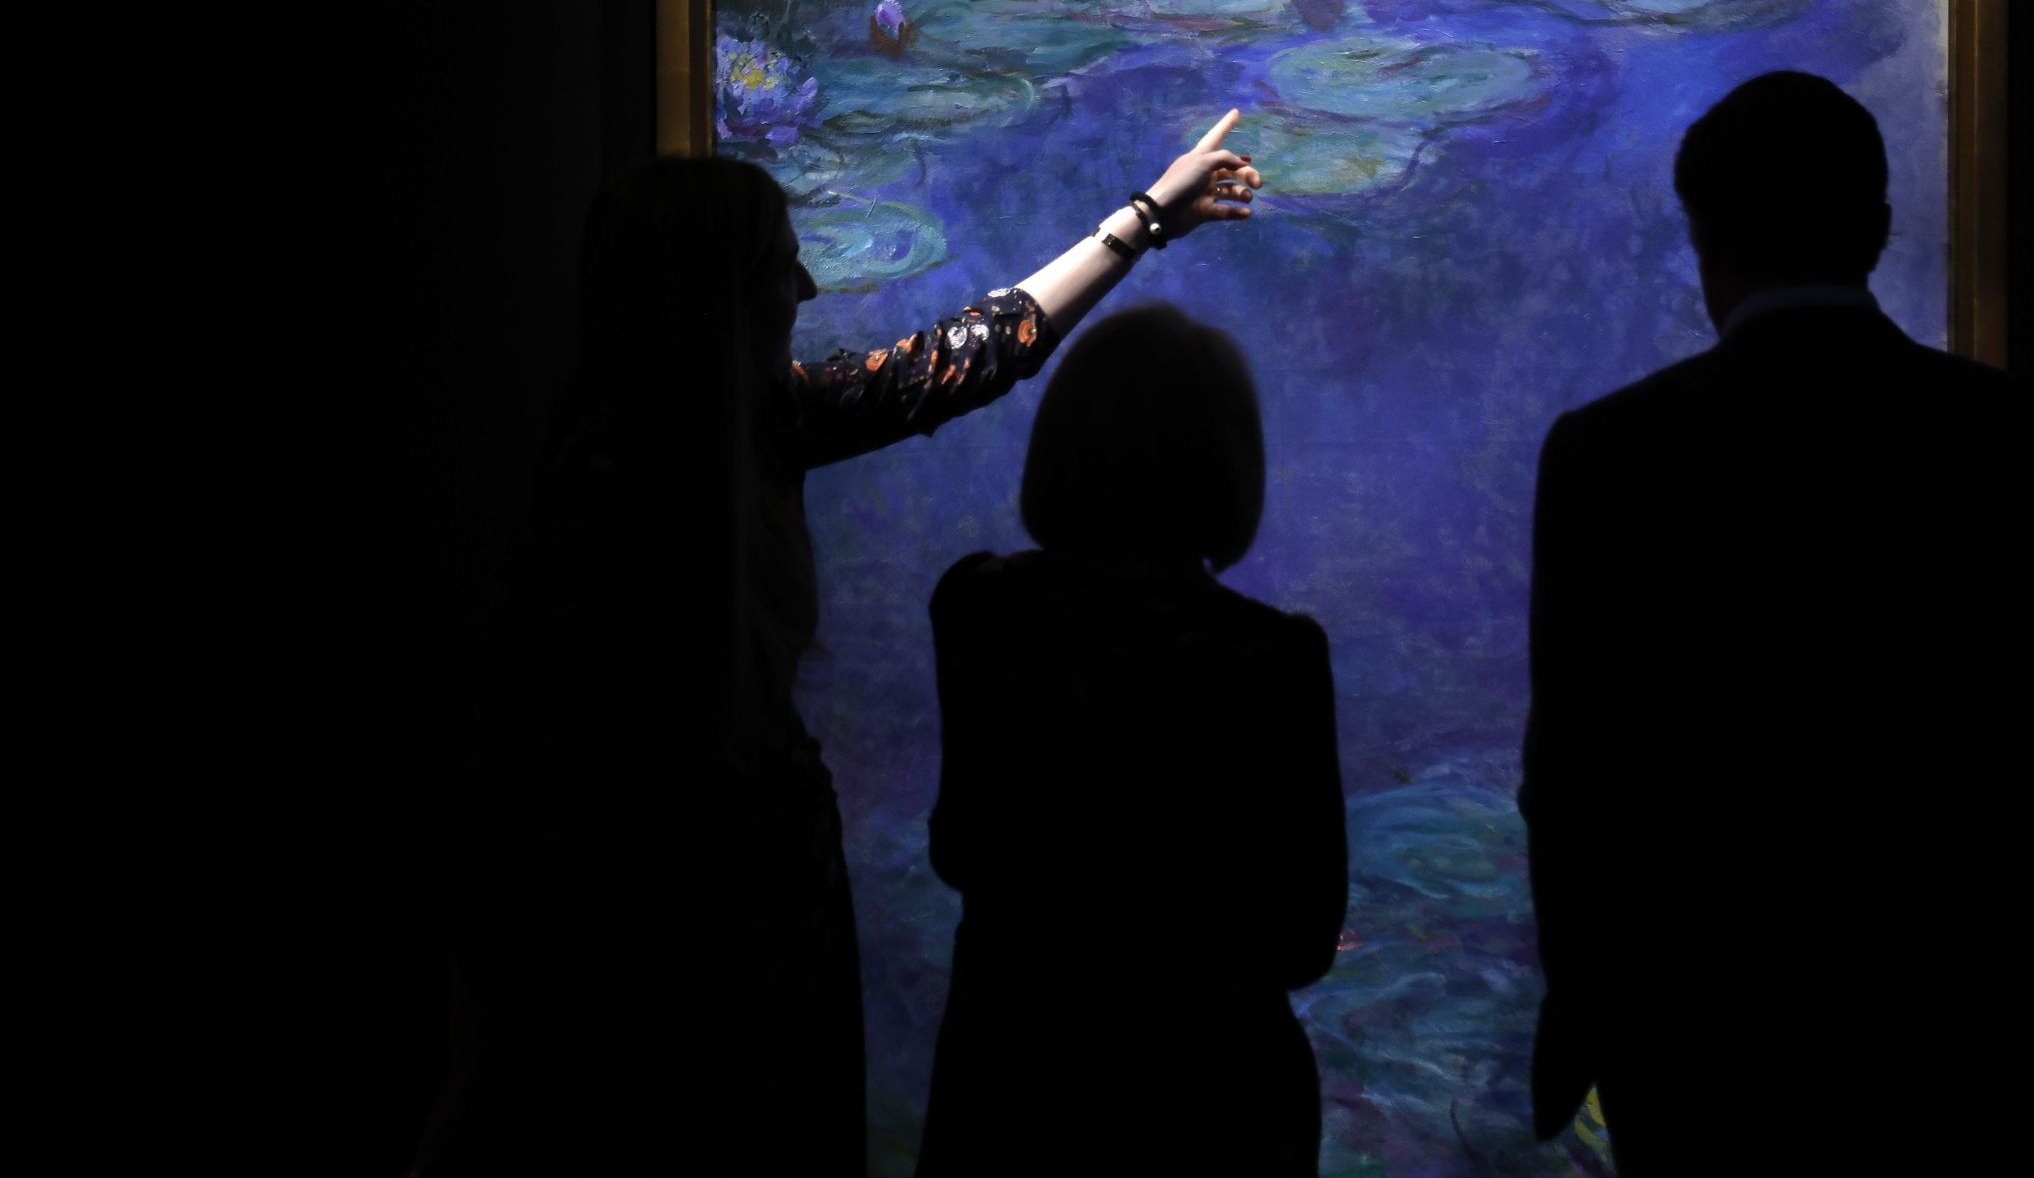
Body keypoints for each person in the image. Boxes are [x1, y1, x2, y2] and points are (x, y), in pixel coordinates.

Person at [415, 115, 1263, 1178]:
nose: (807, 293)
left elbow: (972, 351)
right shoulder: (601, 510)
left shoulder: (757, 425)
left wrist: (1143, 219)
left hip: (768, 885)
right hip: (665, 927)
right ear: (711, 303)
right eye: (781, 268)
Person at [1518, 72, 2034, 1173]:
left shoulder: (1610, 457)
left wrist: (1606, 1035)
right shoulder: (2025, 439)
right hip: (1970, 1053)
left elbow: (1572, 789)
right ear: (1876, 227)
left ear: (1702, 238)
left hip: (1706, 1058)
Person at [916, 304, 1348, 1178]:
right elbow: (1304, 937)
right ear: (1227, 464)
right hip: (1209, 1102)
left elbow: (961, 846)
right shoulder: (1271, 656)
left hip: (1013, 1084)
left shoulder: (977, 609)